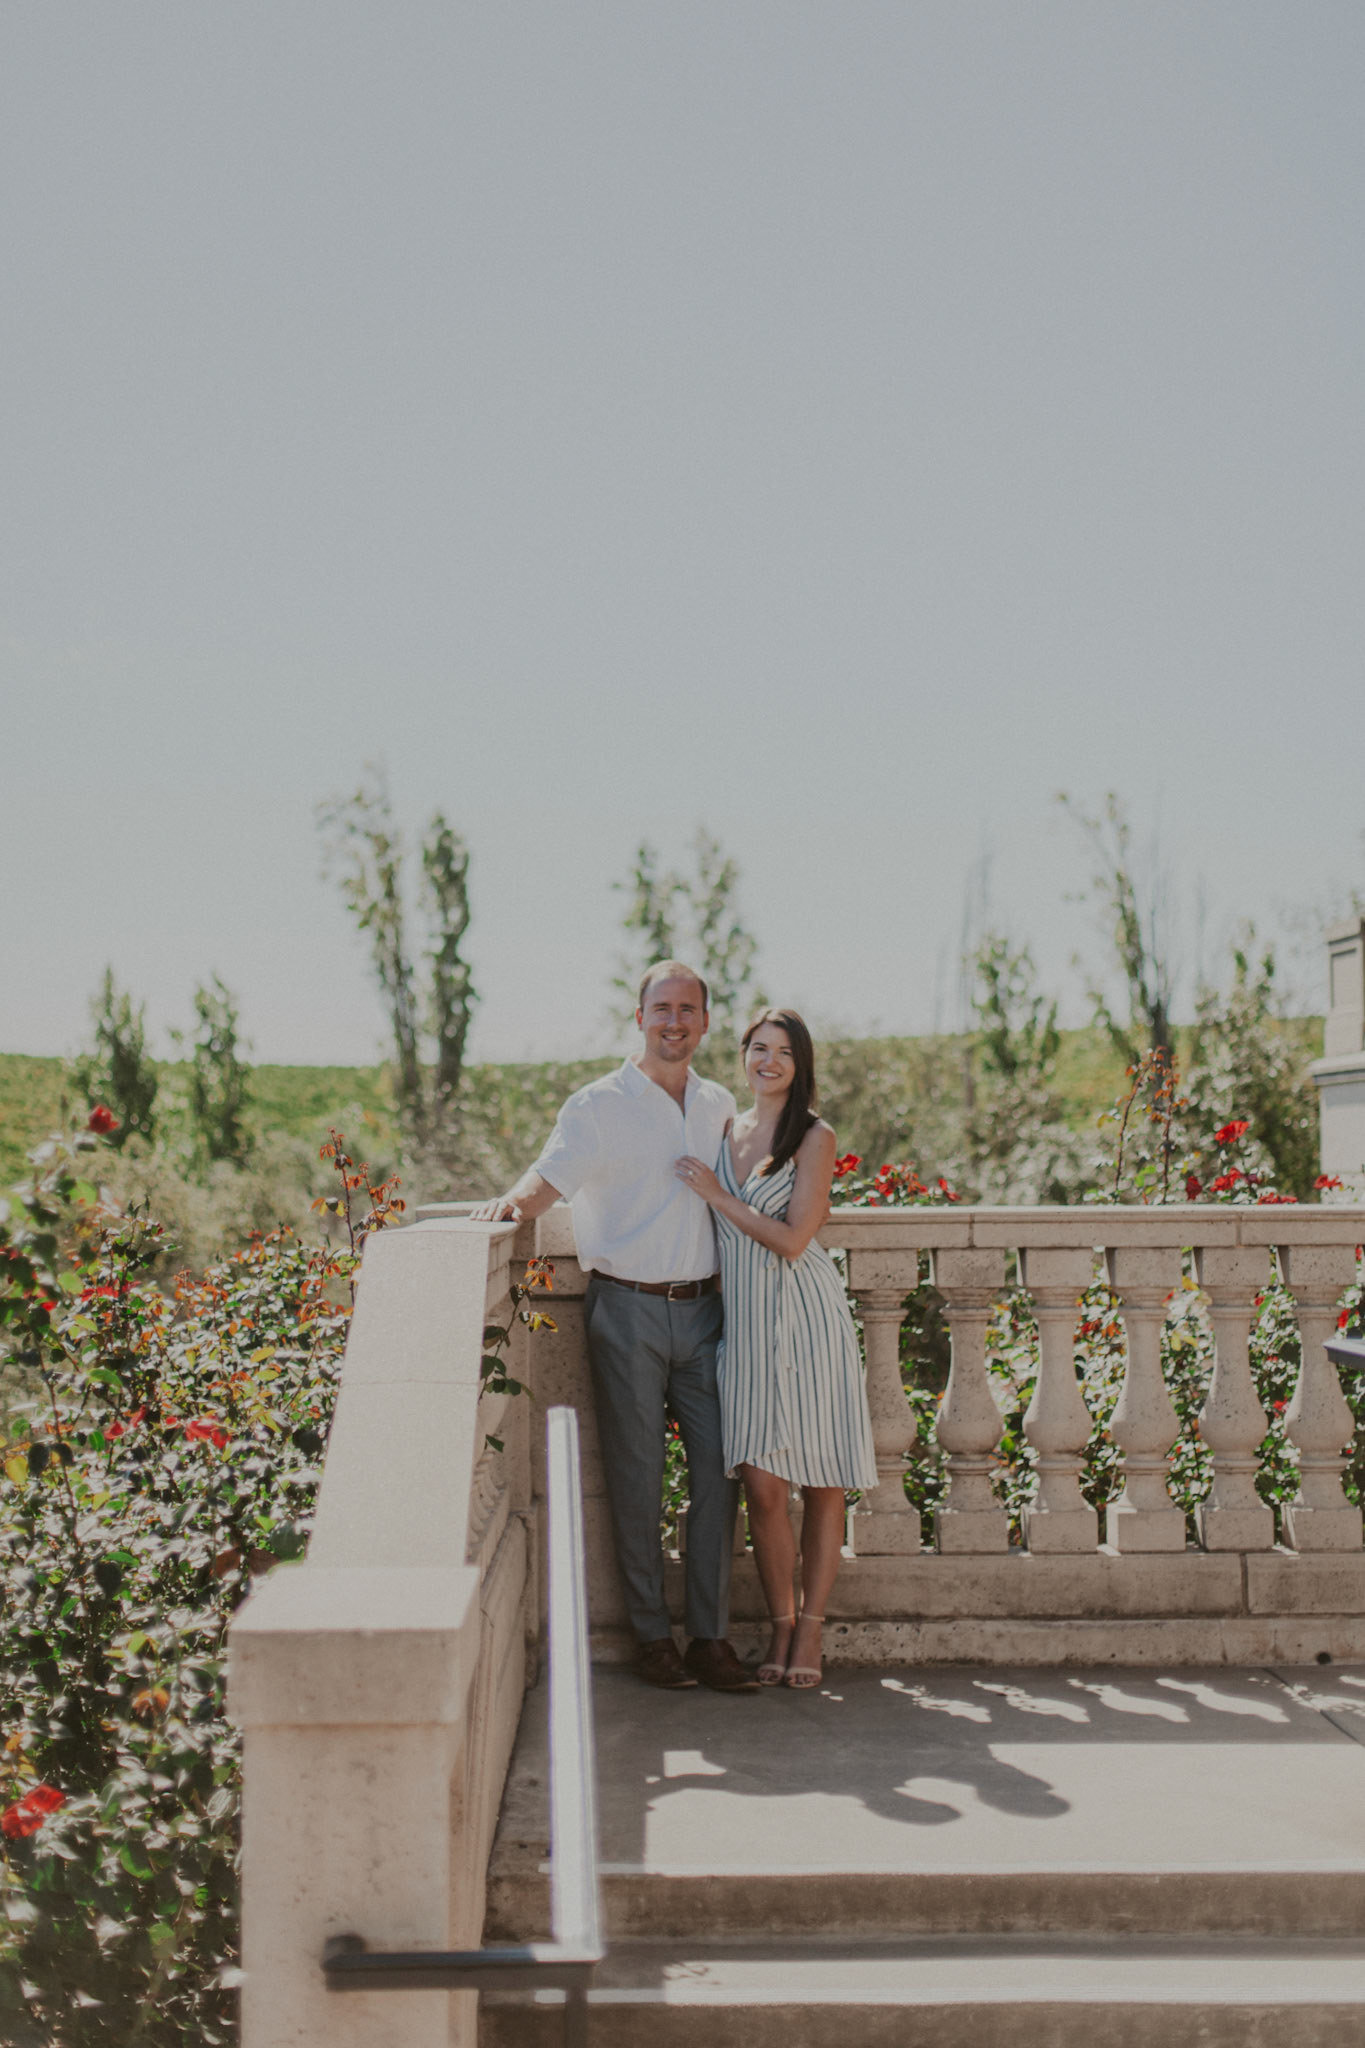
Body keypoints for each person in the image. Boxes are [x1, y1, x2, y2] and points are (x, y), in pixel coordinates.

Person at [471, 963, 758, 1694]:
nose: (674, 1020)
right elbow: (548, 1179)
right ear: (638, 1017)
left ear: (703, 1021)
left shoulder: (719, 1102)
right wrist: (508, 1205)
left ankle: (710, 1638)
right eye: (661, 1008)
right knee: (636, 1480)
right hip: (624, 1309)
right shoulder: (598, 1105)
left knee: (719, 1472)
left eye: (687, 1009)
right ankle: (653, 1638)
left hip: (707, 1311)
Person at [675, 1007, 876, 1690]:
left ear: (801, 1063)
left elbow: (793, 1241)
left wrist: (714, 1196)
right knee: (762, 1486)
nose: (769, 1061)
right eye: (759, 1048)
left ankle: (810, 1629)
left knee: (821, 1480)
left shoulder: (812, 1136)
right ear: (742, 1056)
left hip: (807, 1317)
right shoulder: (722, 1131)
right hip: (747, 1327)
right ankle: (779, 1622)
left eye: (784, 1051)